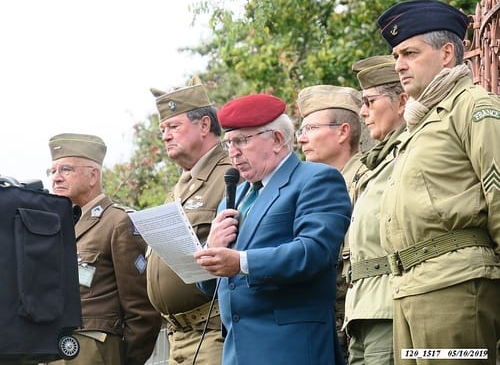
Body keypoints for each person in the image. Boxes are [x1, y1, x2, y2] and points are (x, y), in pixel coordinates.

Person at [377, 0, 500, 364]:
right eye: (397, 55)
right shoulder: (419, 123)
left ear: (447, 53)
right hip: (409, 288)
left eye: (410, 53)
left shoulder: (474, 106)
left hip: (456, 287)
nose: (399, 65)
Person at [193, 93, 352, 365]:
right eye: (228, 143)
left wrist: (241, 261)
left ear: (277, 139)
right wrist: (211, 249)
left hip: (292, 348)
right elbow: (211, 286)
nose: (233, 152)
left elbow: (313, 252)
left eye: (242, 140)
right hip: (237, 351)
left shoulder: (316, 179)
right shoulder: (234, 197)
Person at [47, 133, 161, 365]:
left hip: (95, 352)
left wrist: (121, 358)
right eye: (52, 171)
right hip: (55, 350)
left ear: (93, 175)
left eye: (65, 170)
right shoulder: (58, 225)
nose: (56, 178)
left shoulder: (118, 222)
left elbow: (142, 309)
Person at [147, 82, 232, 364]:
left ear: (205, 125)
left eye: (173, 126)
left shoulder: (231, 176)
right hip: (178, 337)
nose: (166, 136)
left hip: (214, 331)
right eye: (163, 131)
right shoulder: (179, 188)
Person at [343, 55, 407, 365]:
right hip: (364, 307)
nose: (363, 112)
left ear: (401, 102)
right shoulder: (377, 162)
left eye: (370, 101)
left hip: (389, 303)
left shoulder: (410, 153)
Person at [295, 84, 363, 359]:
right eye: (301, 131)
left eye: (310, 129)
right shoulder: (308, 188)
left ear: (343, 131)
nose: (301, 139)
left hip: (357, 322)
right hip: (328, 326)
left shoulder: (368, 180)